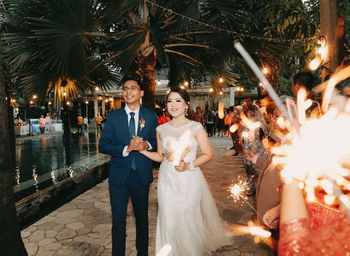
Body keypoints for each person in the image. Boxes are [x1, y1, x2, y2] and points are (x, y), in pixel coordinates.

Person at [140, 87, 232, 255]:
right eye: (169, 101)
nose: (173, 105)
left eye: (177, 100)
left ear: (186, 105)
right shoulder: (161, 130)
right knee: (168, 218)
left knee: (188, 218)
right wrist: (141, 150)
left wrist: (189, 165)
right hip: (167, 179)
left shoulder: (196, 127)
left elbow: (208, 154)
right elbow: (160, 157)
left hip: (189, 178)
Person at [98, 76, 158, 256]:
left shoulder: (150, 115)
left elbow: (156, 141)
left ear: (141, 93)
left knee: (142, 220)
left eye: (133, 88)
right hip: (118, 178)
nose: (128, 91)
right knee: (118, 222)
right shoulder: (114, 116)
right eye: (125, 88)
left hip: (141, 176)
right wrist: (126, 148)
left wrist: (145, 145)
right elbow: (103, 145)